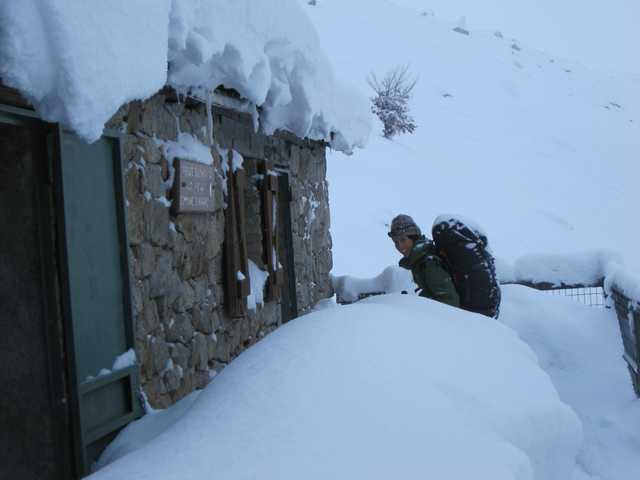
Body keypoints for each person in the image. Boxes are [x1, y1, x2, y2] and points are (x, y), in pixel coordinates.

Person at [388, 214, 460, 308]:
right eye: (396, 242)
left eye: (403, 240)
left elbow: (450, 301)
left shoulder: (429, 264)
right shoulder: (417, 260)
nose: (400, 246)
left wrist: (422, 313)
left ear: (413, 237)